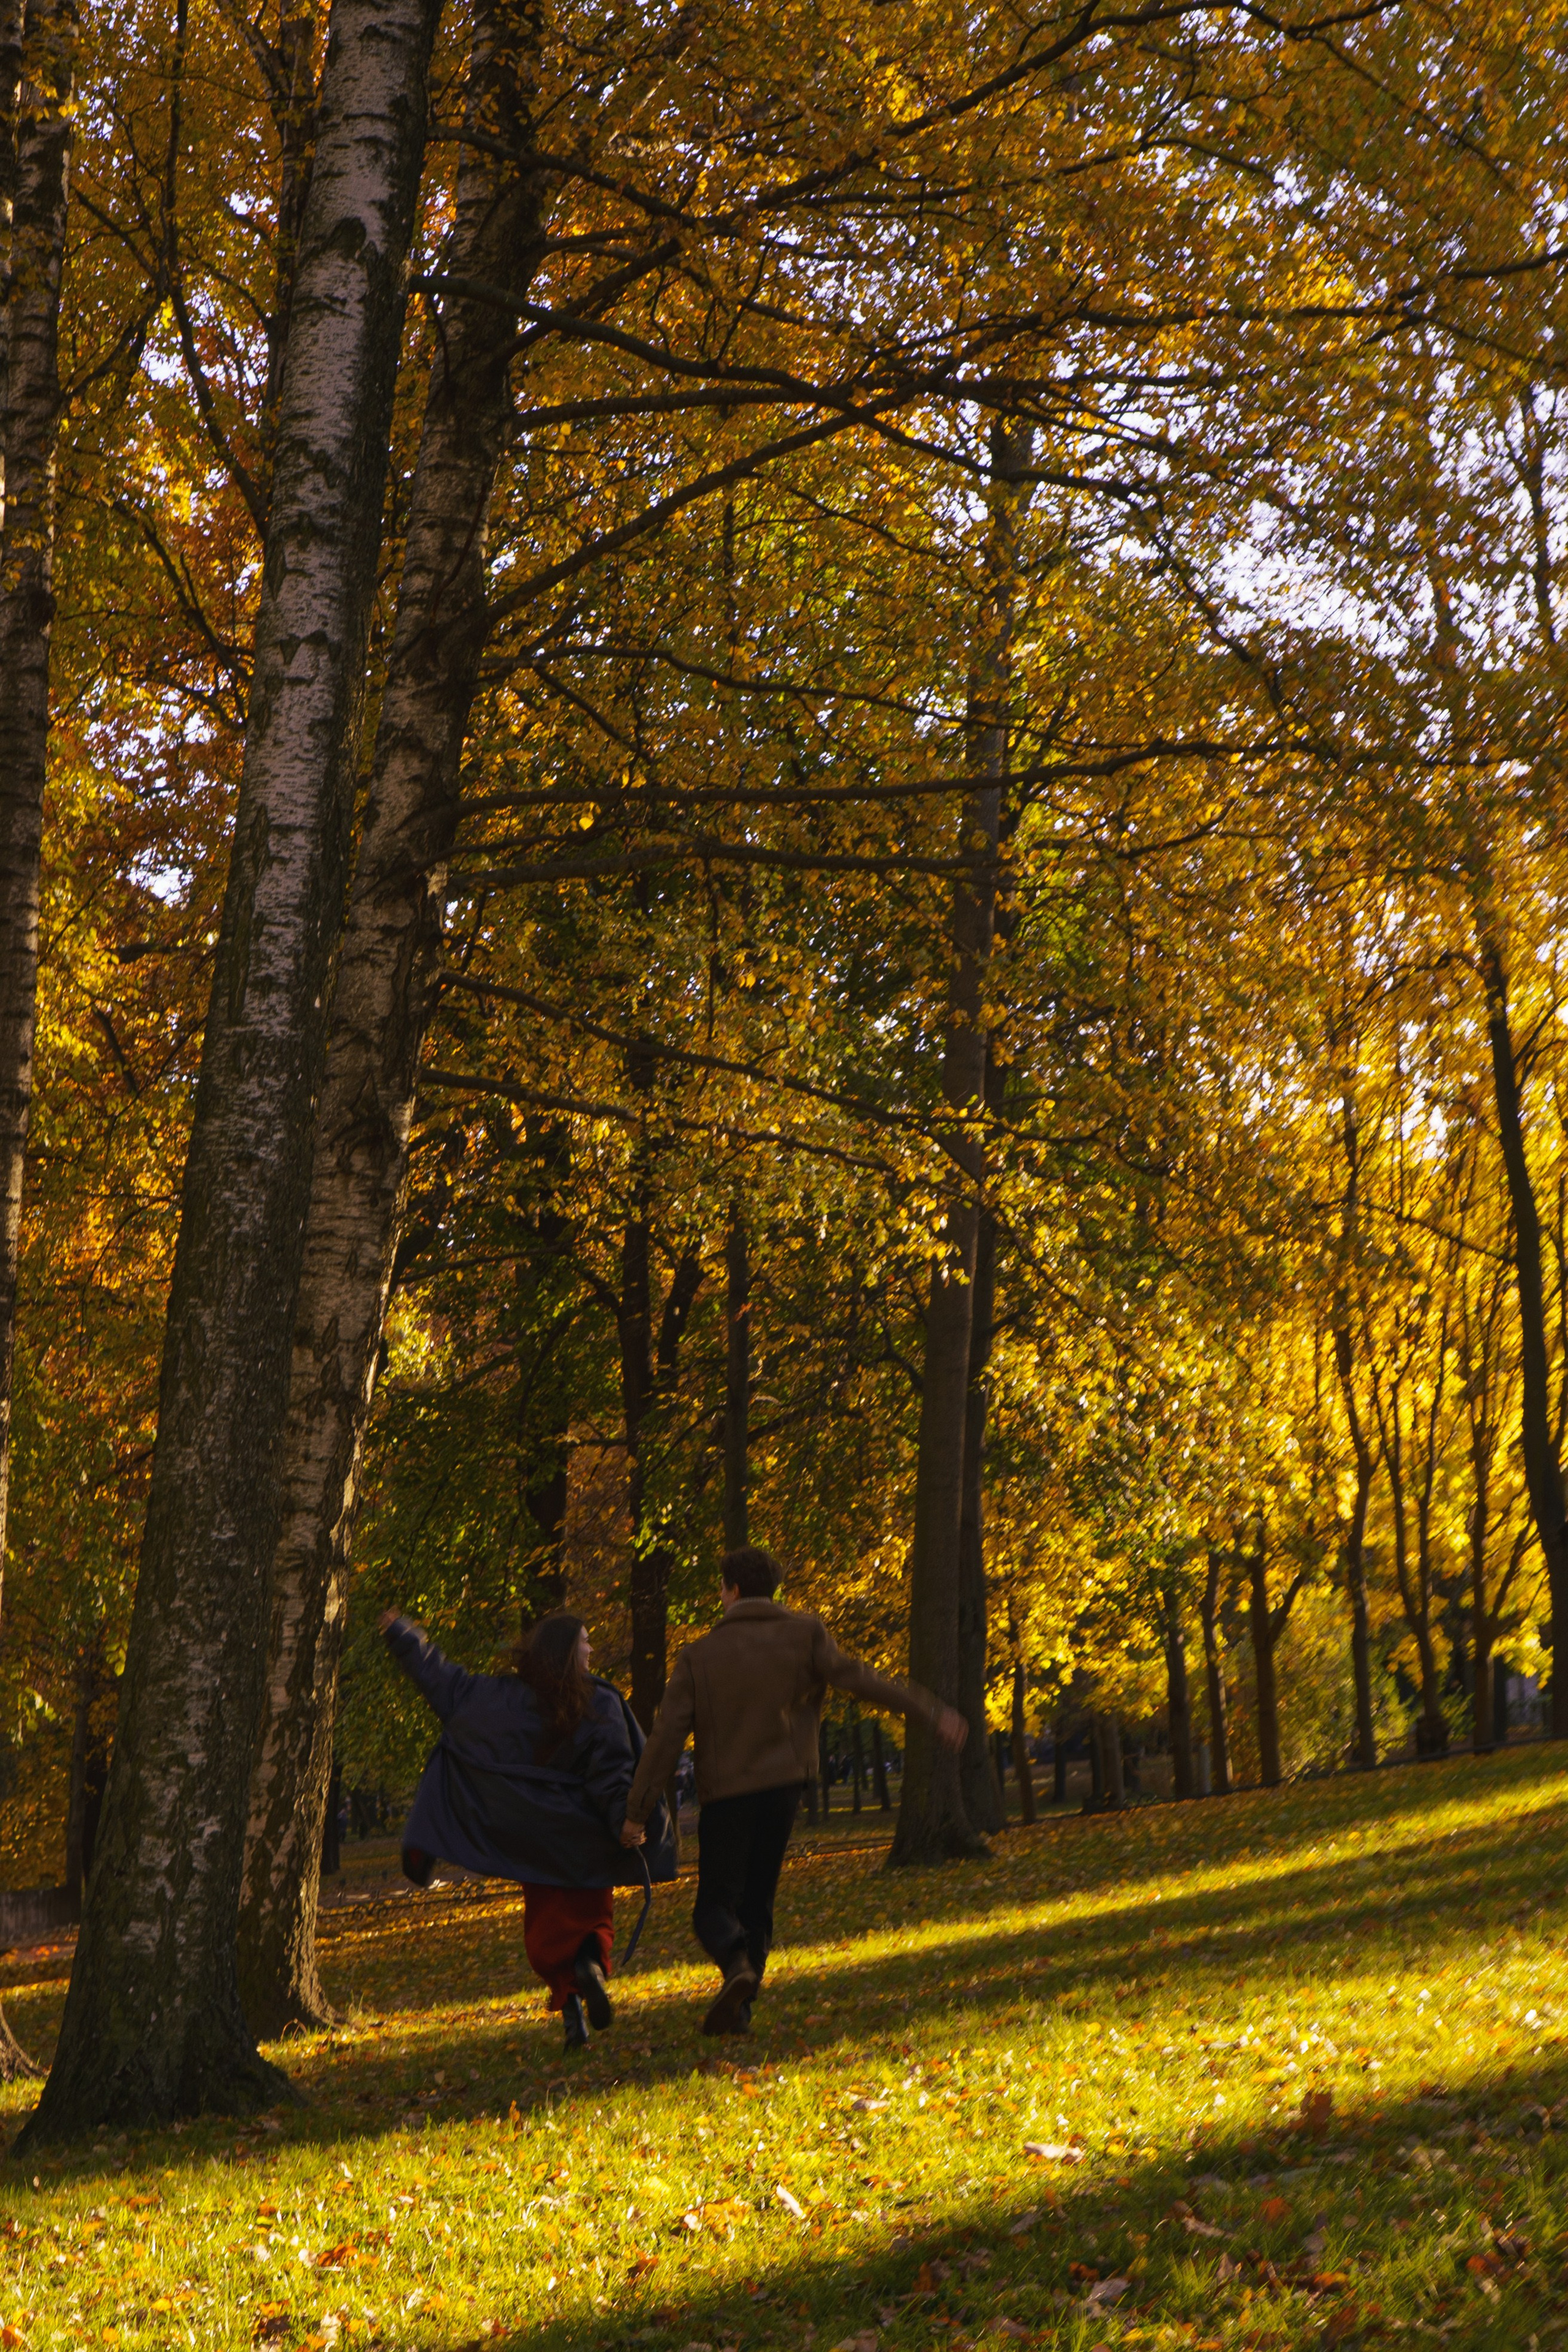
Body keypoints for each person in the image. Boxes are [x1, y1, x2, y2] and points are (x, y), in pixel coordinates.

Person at [619, 1545, 967, 2035]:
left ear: (732, 1590)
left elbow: (665, 1740)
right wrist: (930, 1711)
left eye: (721, 1588)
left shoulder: (699, 1656)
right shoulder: (806, 1634)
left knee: (714, 1907)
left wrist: (638, 1810)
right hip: (784, 1789)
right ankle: (740, 2007)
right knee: (759, 1900)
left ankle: (736, 1964)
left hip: (727, 1796)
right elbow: (862, 1680)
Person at [382, 1607, 676, 2051]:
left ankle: (573, 2020)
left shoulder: (499, 1698)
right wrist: (624, 1822)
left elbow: (444, 1682)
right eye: (585, 1641)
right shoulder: (599, 1701)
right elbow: (613, 1771)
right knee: (593, 1922)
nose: (592, 1649)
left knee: (547, 1933)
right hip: (585, 1842)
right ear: (566, 1650)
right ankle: (591, 1970)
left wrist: (405, 1637)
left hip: (533, 1842)